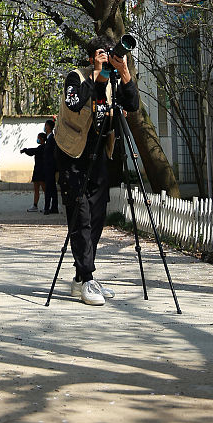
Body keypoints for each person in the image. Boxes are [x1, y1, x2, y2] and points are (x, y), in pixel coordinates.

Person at [54, 34, 139, 306]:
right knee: (80, 217)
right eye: (100, 52)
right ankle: (87, 277)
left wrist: (124, 72)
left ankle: (82, 278)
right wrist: (97, 79)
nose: (106, 56)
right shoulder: (76, 77)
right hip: (73, 154)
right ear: (91, 58)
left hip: (100, 153)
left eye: (109, 52)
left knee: (98, 214)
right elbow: (75, 103)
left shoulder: (115, 81)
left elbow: (133, 105)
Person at [21, 132, 47, 211]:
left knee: (44, 188)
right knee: (36, 189)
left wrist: (26, 150)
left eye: (38, 138)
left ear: (42, 139)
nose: (37, 139)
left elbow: (33, 151)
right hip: (37, 170)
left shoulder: (43, 147)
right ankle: (35, 205)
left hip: (42, 170)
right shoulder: (40, 147)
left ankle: (47, 204)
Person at [42, 117, 59, 214]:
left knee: (49, 188)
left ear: (49, 127)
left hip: (50, 167)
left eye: (46, 125)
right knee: (51, 188)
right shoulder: (48, 138)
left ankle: (48, 207)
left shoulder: (52, 138)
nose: (45, 127)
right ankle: (53, 207)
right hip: (48, 166)